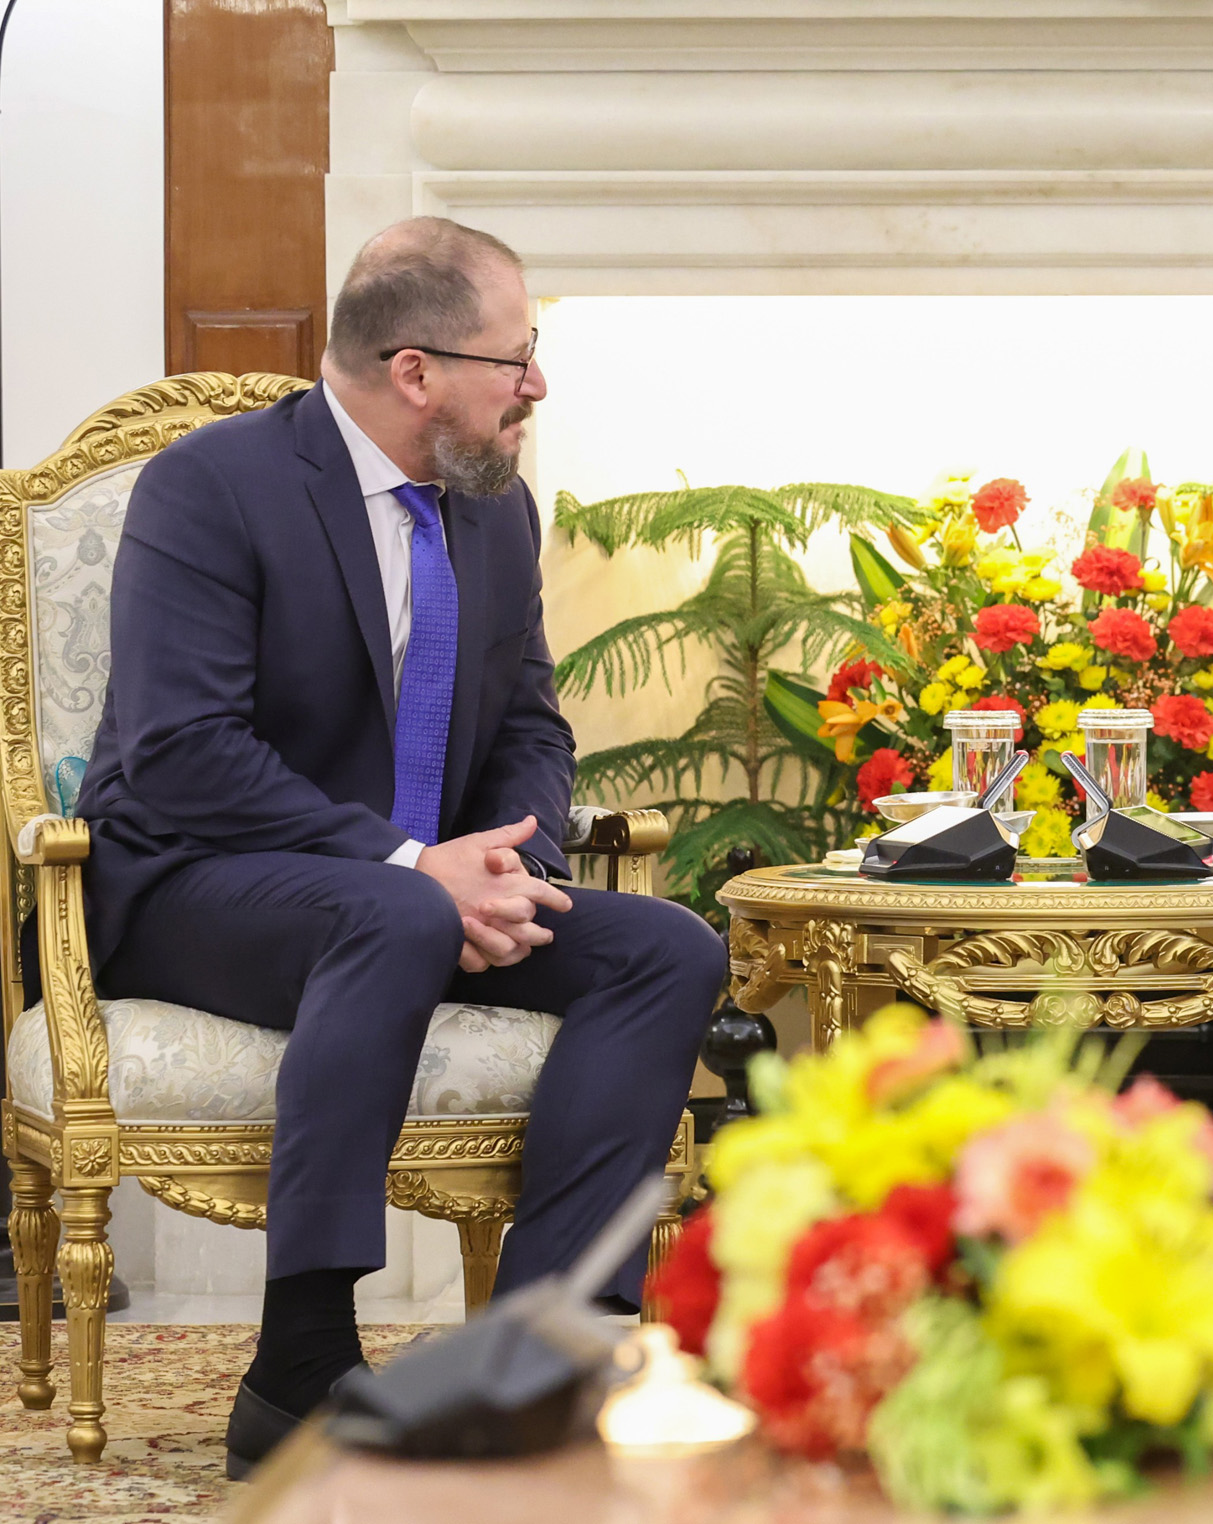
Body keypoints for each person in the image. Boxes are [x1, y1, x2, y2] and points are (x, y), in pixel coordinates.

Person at [77, 217, 727, 1476]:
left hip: (409, 894)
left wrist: (510, 872)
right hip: (194, 885)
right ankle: (299, 1367)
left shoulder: (494, 510)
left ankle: (542, 1350)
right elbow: (181, 753)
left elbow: (529, 722)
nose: (537, 385)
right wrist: (412, 868)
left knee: (665, 948)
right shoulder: (212, 486)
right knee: (399, 911)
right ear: (416, 370)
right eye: (516, 356)